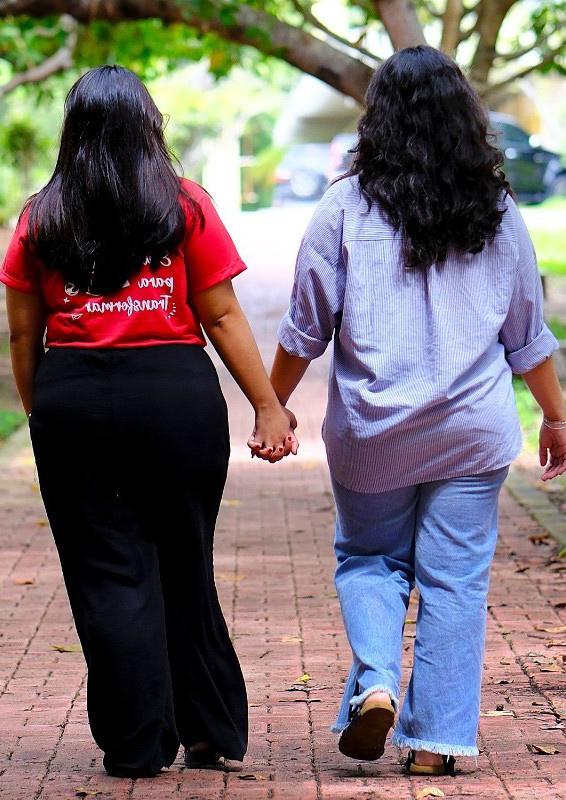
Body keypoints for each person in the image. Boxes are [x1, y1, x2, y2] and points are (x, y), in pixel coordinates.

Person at [264, 46, 566, 776]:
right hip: (472, 430)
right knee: (455, 580)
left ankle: (375, 683)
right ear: (465, 119)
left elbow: (306, 326)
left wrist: (271, 403)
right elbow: (526, 332)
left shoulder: (343, 207)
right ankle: (436, 743)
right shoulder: (496, 210)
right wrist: (556, 416)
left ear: (379, 120)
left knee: (371, 559)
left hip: (374, 431)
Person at [1, 65, 297, 778]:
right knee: (185, 558)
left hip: (74, 399)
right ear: (148, 125)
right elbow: (220, 314)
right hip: (175, 398)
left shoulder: (41, 216)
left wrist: (43, 413)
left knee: (108, 573)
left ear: (73, 133)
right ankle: (208, 726)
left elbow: (23, 332)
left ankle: (136, 742)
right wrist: (267, 404)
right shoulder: (185, 205)